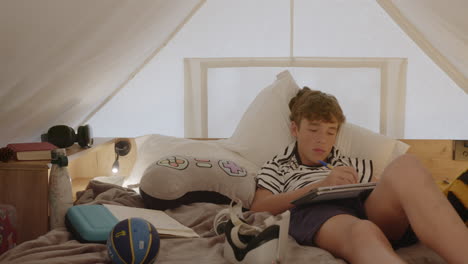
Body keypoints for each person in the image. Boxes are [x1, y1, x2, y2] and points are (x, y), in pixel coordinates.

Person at [250, 87, 468, 264]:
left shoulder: (347, 161)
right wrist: (319, 186)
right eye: (313, 130)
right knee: (363, 230)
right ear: (295, 129)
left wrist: (370, 185)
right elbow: (258, 208)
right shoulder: (277, 166)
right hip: (319, 214)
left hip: (362, 206)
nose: (322, 140)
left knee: (406, 166)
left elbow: (383, 188)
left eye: (330, 131)